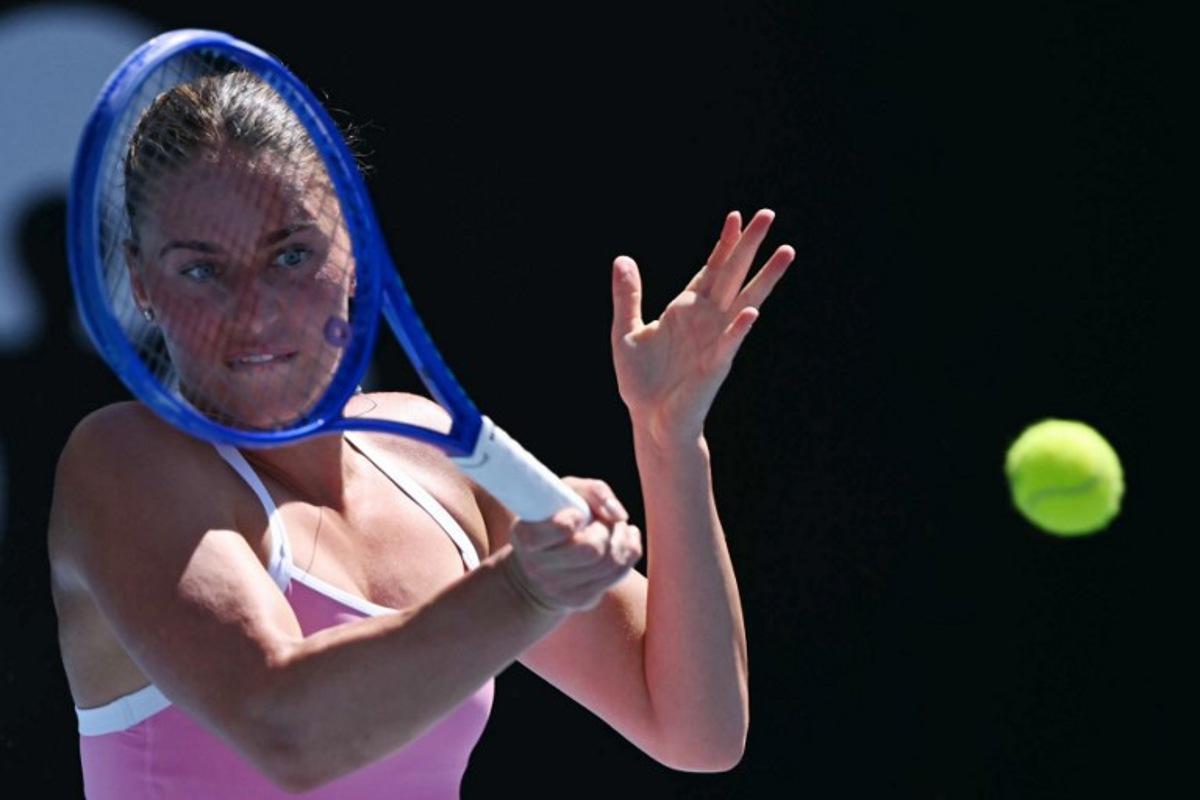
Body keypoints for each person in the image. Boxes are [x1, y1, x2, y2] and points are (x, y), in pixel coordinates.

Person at [47, 68, 794, 798]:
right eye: (202, 271)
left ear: (354, 252)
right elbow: (287, 733)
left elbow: (698, 733)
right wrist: (524, 587)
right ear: (140, 282)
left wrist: (670, 444)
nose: (256, 310)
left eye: (292, 254)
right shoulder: (120, 460)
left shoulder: (430, 447)